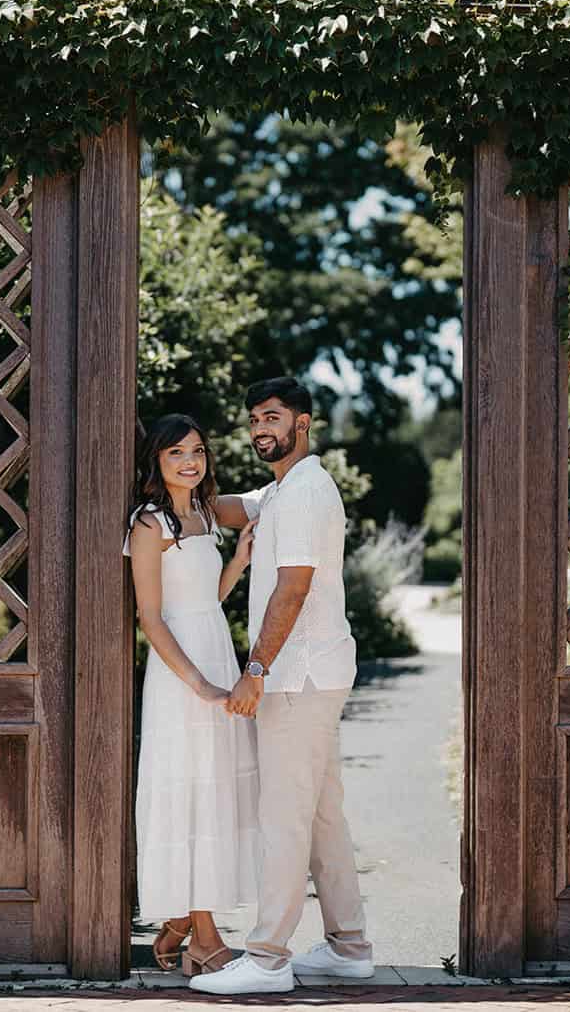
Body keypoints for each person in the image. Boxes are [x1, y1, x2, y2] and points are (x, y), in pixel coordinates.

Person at [189, 376, 375, 996]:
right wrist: (175, 482)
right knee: (322, 817)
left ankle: (267, 957)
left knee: (285, 820)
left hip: (296, 679)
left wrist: (255, 671)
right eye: (253, 421)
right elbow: (230, 507)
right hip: (316, 677)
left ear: (303, 423)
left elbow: (291, 589)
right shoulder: (286, 490)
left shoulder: (302, 495)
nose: (260, 429)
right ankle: (350, 948)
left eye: (273, 417)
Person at [126, 413, 260, 978]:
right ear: (157, 460)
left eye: (198, 451)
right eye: (177, 451)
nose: (190, 461)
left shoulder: (205, 514)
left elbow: (209, 601)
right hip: (179, 673)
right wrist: (199, 683)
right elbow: (152, 619)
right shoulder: (148, 525)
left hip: (215, 653)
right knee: (188, 796)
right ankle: (204, 940)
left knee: (215, 793)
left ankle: (185, 925)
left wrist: (238, 564)